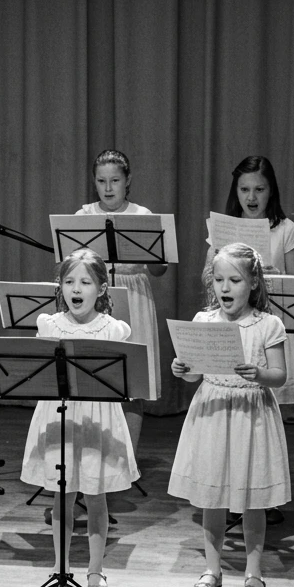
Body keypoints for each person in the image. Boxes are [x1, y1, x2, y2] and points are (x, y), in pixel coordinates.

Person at [168, 243, 290, 587]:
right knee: (212, 496)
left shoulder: (268, 324)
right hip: (213, 411)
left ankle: (253, 572)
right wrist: (183, 370)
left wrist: (259, 374)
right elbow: (193, 374)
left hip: (251, 415)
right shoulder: (203, 321)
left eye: (234, 279)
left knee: (253, 498)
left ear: (253, 282)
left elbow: (280, 375)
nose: (225, 287)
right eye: (218, 279)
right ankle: (212, 568)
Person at [21, 248, 139, 587]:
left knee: (95, 494)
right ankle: (60, 567)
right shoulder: (48, 324)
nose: (76, 288)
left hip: (96, 419)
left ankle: (95, 571)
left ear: (102, 289)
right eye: (69, 281)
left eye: (86, 282)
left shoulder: (115, 329)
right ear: (60, 286)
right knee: (62, 495)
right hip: (58, 416)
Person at [224, 156, 294, 525]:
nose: (251, 197)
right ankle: (230, 492)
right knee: (230, 414)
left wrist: (270, 277)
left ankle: (266, 495)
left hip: (269, 330)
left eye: (259, 189)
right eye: (244, 189)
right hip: (232, 328)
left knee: (265, 420)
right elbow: (209, 275)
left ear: (271, 190)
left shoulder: (284, 229)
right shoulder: (224, 227)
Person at [76, 149, 166, 451]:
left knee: (133, 382)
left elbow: (160, 269)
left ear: (128, 181)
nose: (109, 187)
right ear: (94, 182)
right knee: (95, 376)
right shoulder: (83, 216)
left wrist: (150, 252)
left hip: (134, 296)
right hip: (96, 298)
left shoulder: (143, 216)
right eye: (102, 181)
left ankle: (126, 460)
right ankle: (95, 454)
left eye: (115, 180)